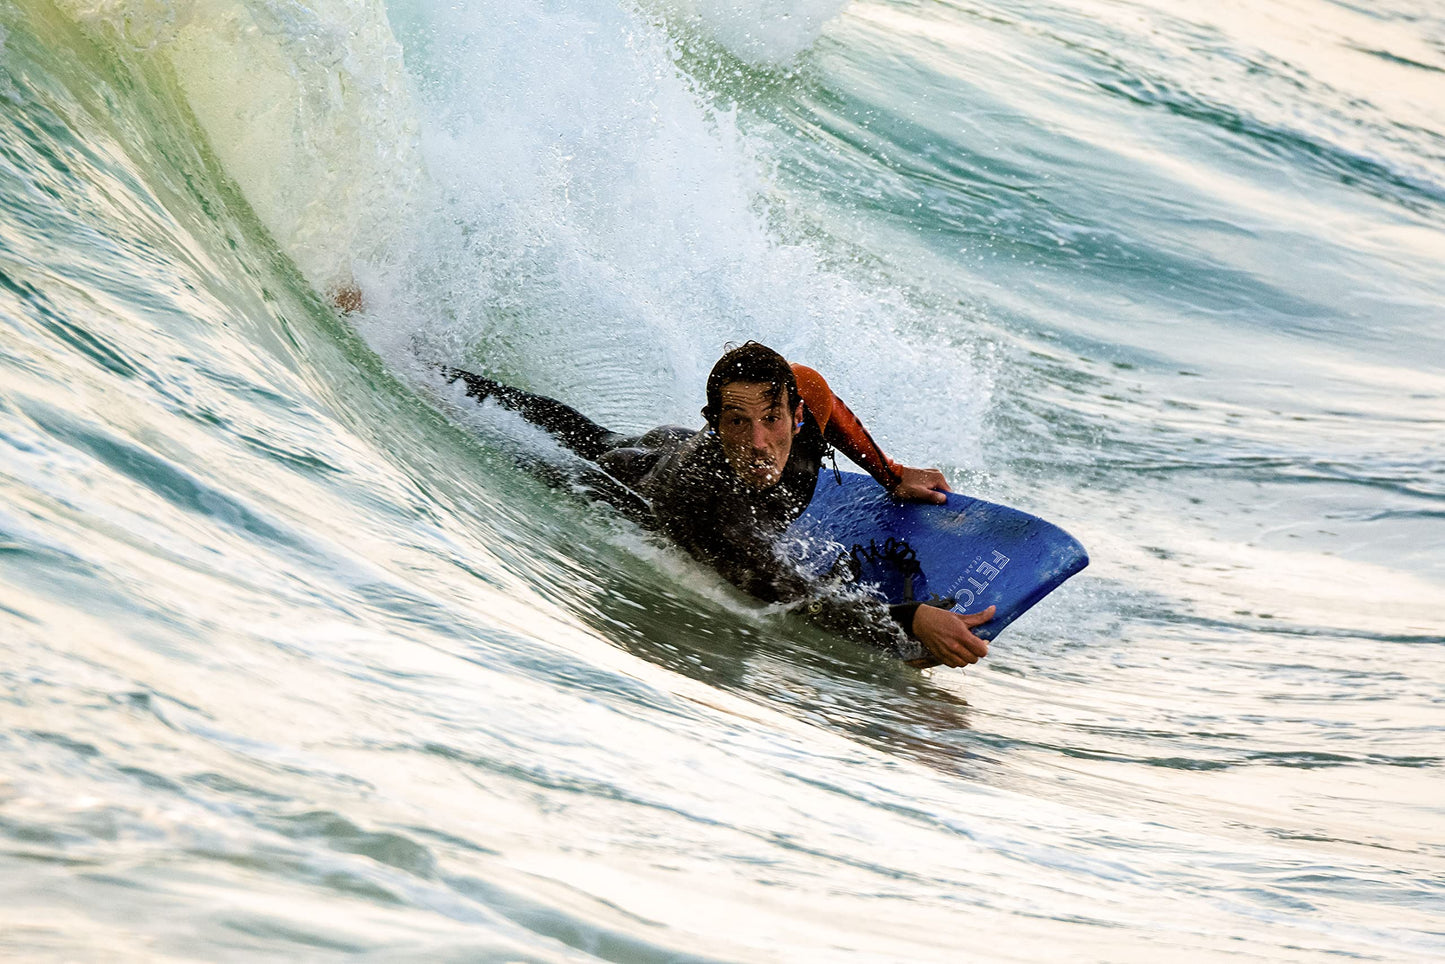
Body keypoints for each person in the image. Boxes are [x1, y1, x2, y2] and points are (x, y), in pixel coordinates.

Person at [440, 342, 995, 669]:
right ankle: (428, 370)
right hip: (643, 480)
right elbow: (793, 599)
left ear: (796, 414)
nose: (758, 444)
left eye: (772, 420)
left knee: (596, 434)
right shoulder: (706, 506)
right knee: (579, 447)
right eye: (737, 423)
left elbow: (831, 405)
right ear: (715, 422)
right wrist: (910, 621)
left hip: (674, 447)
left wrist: (891, 474)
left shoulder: (806, 395)